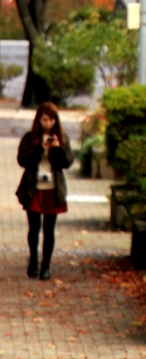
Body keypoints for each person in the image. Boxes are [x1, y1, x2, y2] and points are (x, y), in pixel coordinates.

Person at [16, 102, 73, 280]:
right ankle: (33, 261)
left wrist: (57, 148)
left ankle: (46, 266)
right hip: (34, 188)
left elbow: (67, 162)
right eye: (45, 120)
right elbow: (22, 160)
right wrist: (41, 149)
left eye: (51, 120)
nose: (48, 124)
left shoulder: (62, 138)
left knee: (49, 229)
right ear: (39, 120)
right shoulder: (30, 138)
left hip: (53, 189)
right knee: (34, 228)